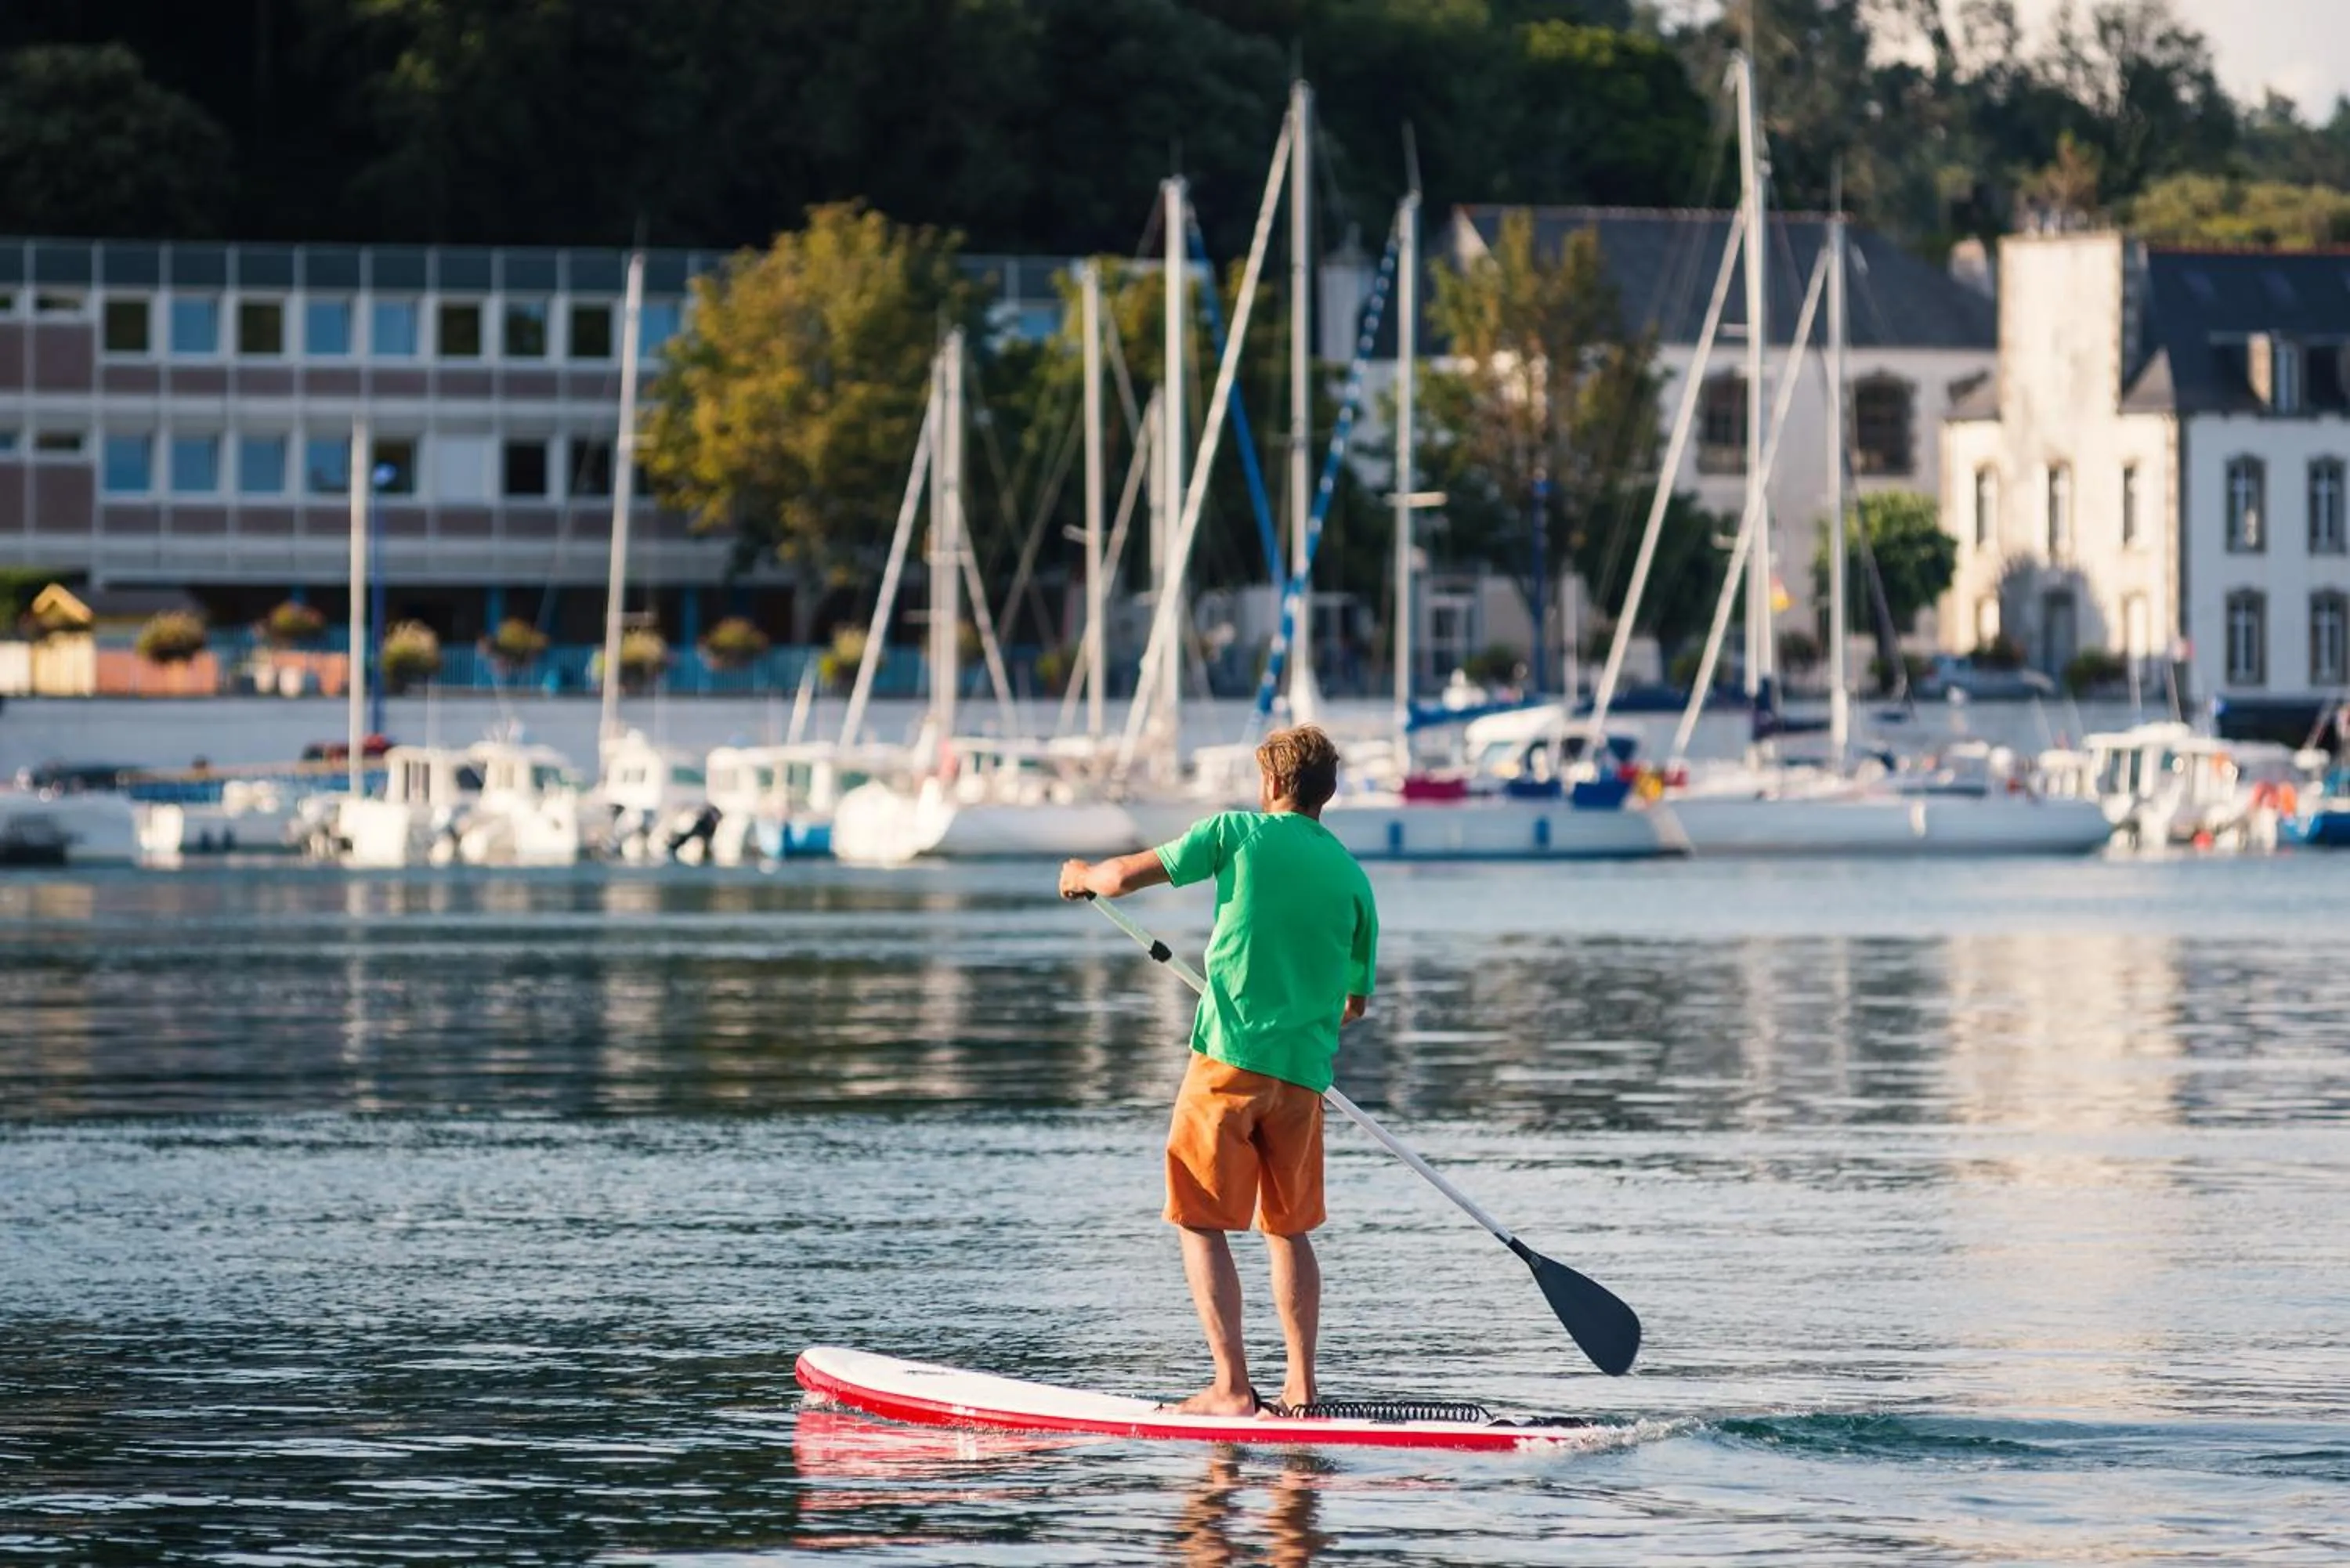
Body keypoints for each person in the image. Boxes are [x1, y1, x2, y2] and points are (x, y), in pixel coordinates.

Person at [1058, 724, 1378, 1416]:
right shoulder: (1354, 878)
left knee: (1198, 1217)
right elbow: (1353, 1004)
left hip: (1228, 1063)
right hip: (1302, 1078)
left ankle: (1232, 1388)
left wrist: (1083, 877)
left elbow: (1122, 878)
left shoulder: (1236, 832)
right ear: (1328, 794)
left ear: (1270, 784)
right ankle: (1301, 1388)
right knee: (1287, 1229)